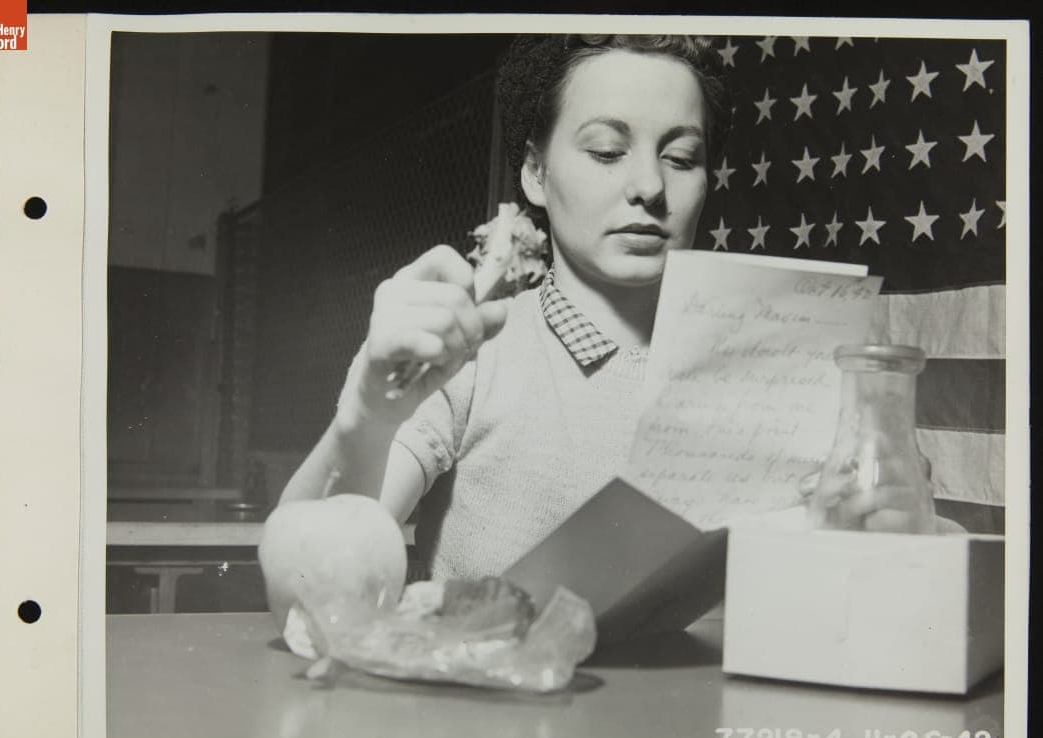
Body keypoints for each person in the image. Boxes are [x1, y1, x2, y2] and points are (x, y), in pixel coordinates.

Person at [260, 34, 948, 629]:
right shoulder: (472, 353)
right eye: (606, 150)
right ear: (535, 171)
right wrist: (366, 420)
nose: (649, 185)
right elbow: (306, 601)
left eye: (681, 158)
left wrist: (888, 528)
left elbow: (877, 606)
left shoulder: (795, 373)